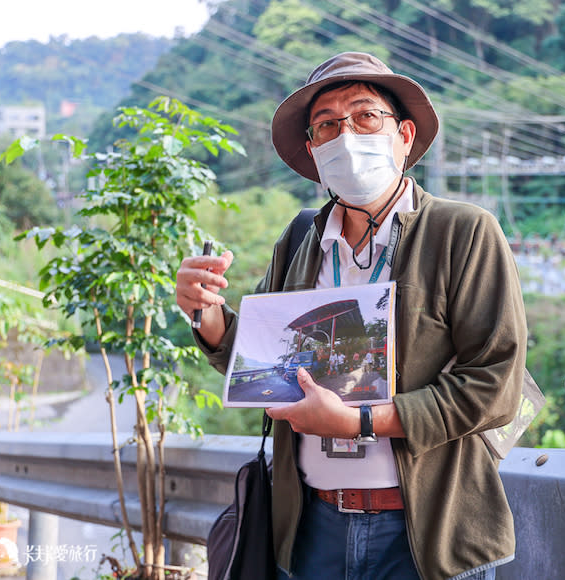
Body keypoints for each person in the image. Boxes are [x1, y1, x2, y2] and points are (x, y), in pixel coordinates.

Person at [175, 52, 527, 580]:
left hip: (429, 537)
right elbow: (263, 366)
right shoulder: (300, 240)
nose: (347, 134)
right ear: (315, 152)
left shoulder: (463, 232)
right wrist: (207, 315)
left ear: (404, 135)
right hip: (312, 530)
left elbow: (496, 384)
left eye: (365, 116)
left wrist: (360, 421)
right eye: (327, 126)